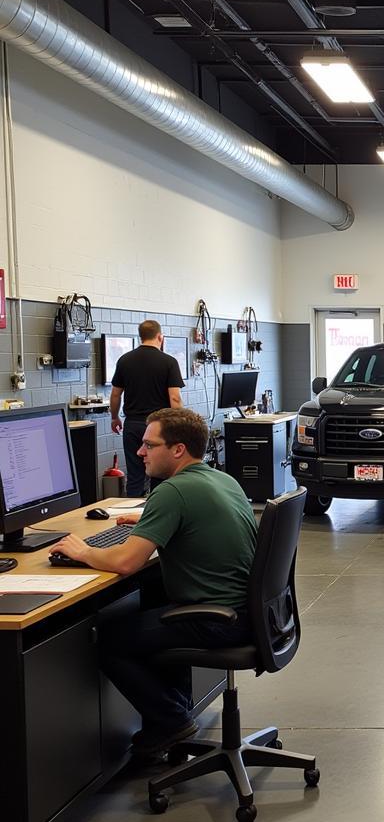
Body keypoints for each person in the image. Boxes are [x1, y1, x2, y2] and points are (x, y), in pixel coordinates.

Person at [50, 408, 258, 756]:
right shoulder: (221, 479)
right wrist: (152, 518)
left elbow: (127, 562)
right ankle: (175, 715)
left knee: (110, 640)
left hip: (216, 621)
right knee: (151, 606)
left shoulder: (172, 492)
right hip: (245, 612)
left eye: (149, 444)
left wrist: (83, 550)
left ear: (178, 450)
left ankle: (171, 720)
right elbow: (193, 517)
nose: (140, 452)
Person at [110, 319, 185, 497]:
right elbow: (175, 397)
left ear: (141, 337)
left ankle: (131, 518)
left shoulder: (124, 360)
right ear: (160, 337)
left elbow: (115, 394)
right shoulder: (169, 362)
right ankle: (159, 514)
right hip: (159, 427)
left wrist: (114, 417)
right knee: (161, 475)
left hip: (133, 425)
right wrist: (181, 426)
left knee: (135, 475)